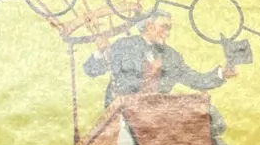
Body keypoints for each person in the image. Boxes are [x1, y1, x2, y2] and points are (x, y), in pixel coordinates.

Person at [84, 8, 237, 108]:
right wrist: (100, 51)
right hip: (122, 114)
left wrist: (221, 74)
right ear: (149, 26)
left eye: (169, 28)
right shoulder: (124, 46)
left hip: (155, 116)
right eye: (164, 27)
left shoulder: (171, 56)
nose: (167, 33)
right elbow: (92, 70)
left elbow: (195, 79)